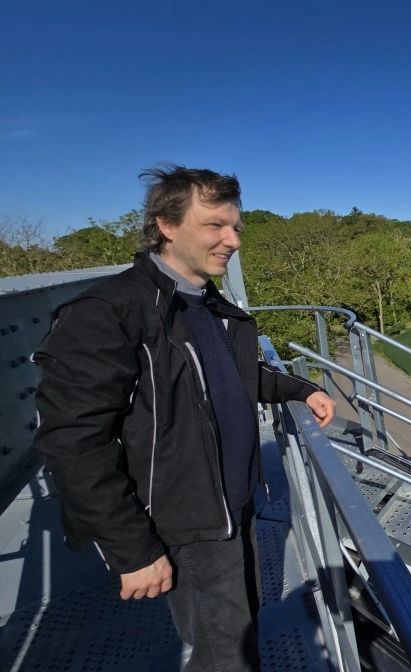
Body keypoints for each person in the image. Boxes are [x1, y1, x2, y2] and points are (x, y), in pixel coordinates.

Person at [34, 164, 336, 671]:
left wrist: (301, 389)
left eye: (236, 226)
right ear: (166, 225)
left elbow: (236, 376)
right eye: (215, 225)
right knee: (226, 655)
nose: (232, 239)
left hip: (232, 504)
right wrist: (131, 549)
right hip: (188, 517)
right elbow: (72, 440)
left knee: (238, 630)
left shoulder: (204, 304)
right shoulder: (110, 310)